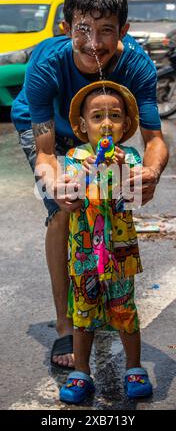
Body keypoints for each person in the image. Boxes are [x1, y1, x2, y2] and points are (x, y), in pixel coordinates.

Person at [11, 0, 169, 370]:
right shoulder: (47, 63)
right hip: (48, 130)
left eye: (106, 31)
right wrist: (55, 181)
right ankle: (66, 322)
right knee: (65, 207)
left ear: (124, 31)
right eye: (83, 29)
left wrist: (150, 172)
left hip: (103, 131)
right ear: (66, 28)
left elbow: (154, 137)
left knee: (111, 210)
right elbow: (47, 153)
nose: (94, 43)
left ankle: (106, 298)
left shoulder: (137, 63)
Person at [59, 80, 153, 404]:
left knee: (124, 309)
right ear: (84, 126)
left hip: (119, 251)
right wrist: (84, 174)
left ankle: (134, 367)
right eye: (98, 117)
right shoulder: (74, 157)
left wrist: (123, 168)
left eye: (115, 116)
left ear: (125, 125)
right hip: (85, 252)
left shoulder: (130, 157)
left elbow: (134, 197)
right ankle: (80, 372)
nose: (107, 123)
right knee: (83, 313)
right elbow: (69, 196)